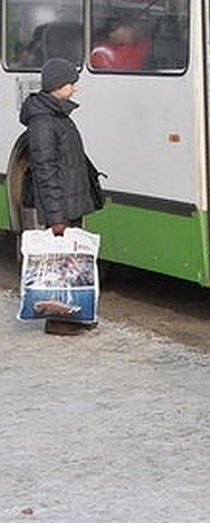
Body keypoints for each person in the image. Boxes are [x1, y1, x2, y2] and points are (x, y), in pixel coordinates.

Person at [19, 58, 105, 335]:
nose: (75, 89)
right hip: (61, 207)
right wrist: (56, 218)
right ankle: (60, 320)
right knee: (61, 266)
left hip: (68, 201)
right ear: (58, 86)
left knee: (70, 264)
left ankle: (74, 315)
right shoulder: (44, 121)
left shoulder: (56, 115)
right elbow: (45, 170)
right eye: (71, 83)